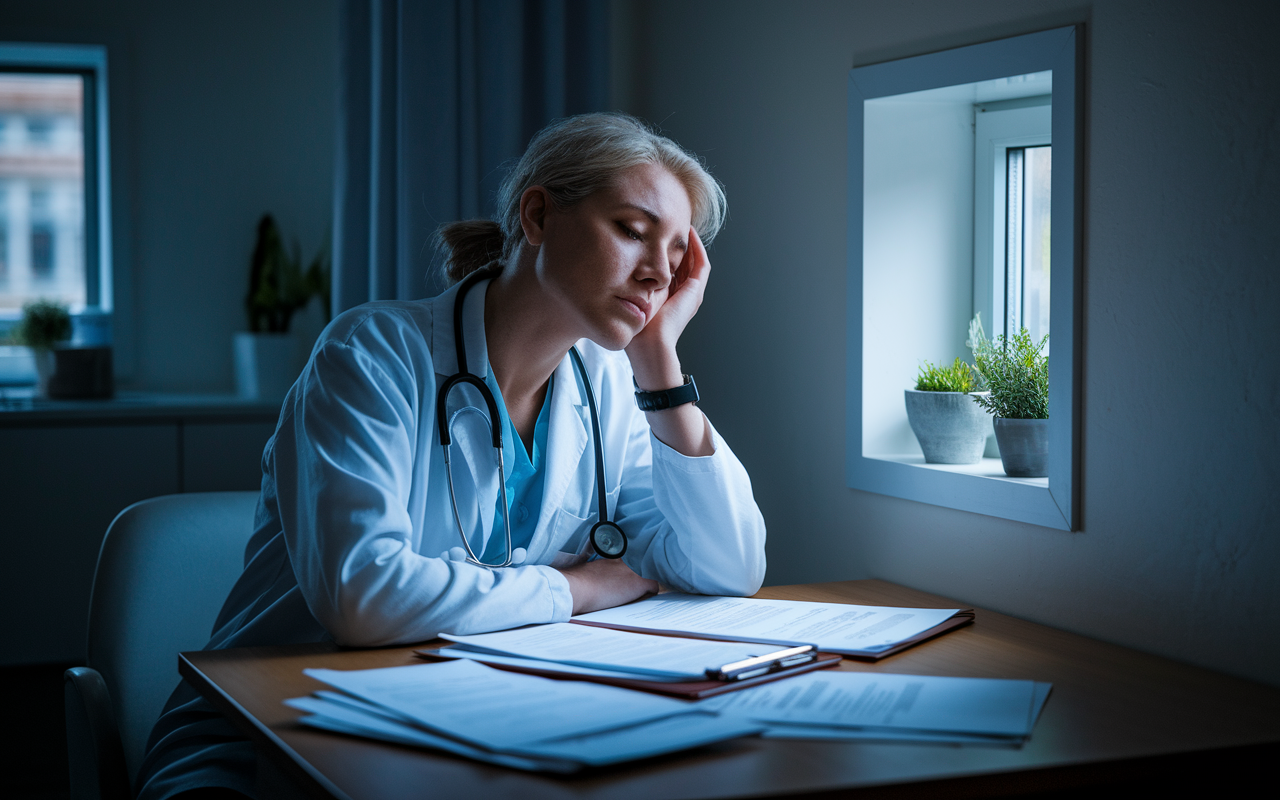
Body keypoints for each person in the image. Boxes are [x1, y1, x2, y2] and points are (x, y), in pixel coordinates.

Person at [136, 112, 766, 800]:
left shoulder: (609, 382)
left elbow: (725, 567)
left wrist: (660, 367)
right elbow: (364, 599)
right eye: (632, 231)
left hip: (465, 731)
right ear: (536, 216)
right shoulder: (372, 355)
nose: (657, 275)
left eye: (677, 253)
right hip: (266, 742)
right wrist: (575, 588)